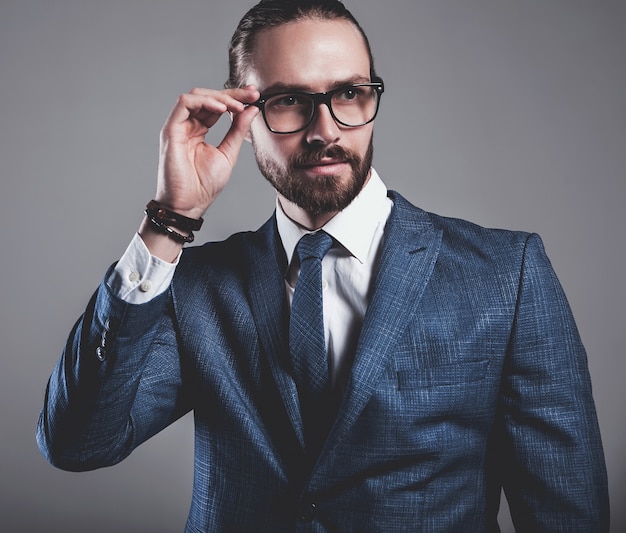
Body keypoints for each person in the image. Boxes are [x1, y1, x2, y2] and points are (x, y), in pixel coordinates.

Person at [36, 0, 609, 530]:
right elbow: (78, 443)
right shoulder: (196, 287)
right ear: (241, 114)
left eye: (350, 94)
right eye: (288, 101)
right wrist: (168, 221)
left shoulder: (505, 275)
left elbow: (564, 510)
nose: (326, 130)